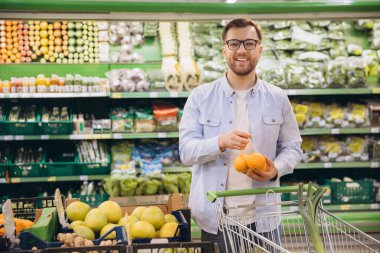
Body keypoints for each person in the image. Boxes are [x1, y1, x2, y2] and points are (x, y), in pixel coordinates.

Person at [179, 18, 302, 252]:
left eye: (249, 43)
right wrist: (220, 142)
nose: (242, 50)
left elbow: (293, 147)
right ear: (224, 49)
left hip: (265, 216)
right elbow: (186, 151)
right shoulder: (200, 96)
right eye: (234, 43)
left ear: (260, 49)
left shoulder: (277, 97)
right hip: (216, 220)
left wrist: (276, 168)